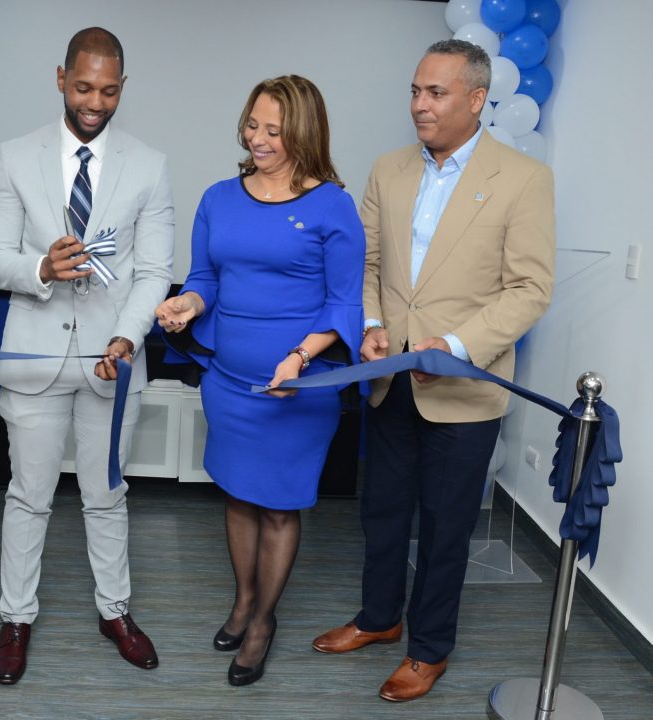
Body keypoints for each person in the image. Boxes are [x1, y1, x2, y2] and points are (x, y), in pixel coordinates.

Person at [311, 39, 555, 701]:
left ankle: (428, 649)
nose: (420, 104)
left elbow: (529, 290)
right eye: (416, 91)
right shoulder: (388, 170)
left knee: (446, 527)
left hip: (464, 390)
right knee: (382, 512)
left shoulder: (523, 179)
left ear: (477, 100)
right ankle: (378, 619)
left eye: (436, 93)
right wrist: (370, 325)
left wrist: (454, 344)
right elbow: (364, 265)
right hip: (390, 376)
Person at [0, 27, 173, 685]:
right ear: (61, 78)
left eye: (109, 91)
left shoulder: (149, 165)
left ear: (123, 87)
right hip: (34, 356)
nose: (95, 102)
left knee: (107, 495)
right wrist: (40, 267)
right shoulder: (14, 156)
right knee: (28, 496)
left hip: (110, 362)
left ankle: (114, 611)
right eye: (84, 87)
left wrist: (127, 337)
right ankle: (16, 618)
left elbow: (155, 271)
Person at [156, 75, 365, 686]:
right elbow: (205, 278)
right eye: (253, 124)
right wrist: (188, 304)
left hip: (298, 387)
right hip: (228, 381)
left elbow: (344, 303)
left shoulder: (332, 206)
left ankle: (264, 620)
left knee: (277, 506)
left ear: (304, 132)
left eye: (274, 129)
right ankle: (243, 600)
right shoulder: (219, 198)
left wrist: (299, 357)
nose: (258, 139)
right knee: (238, 495)